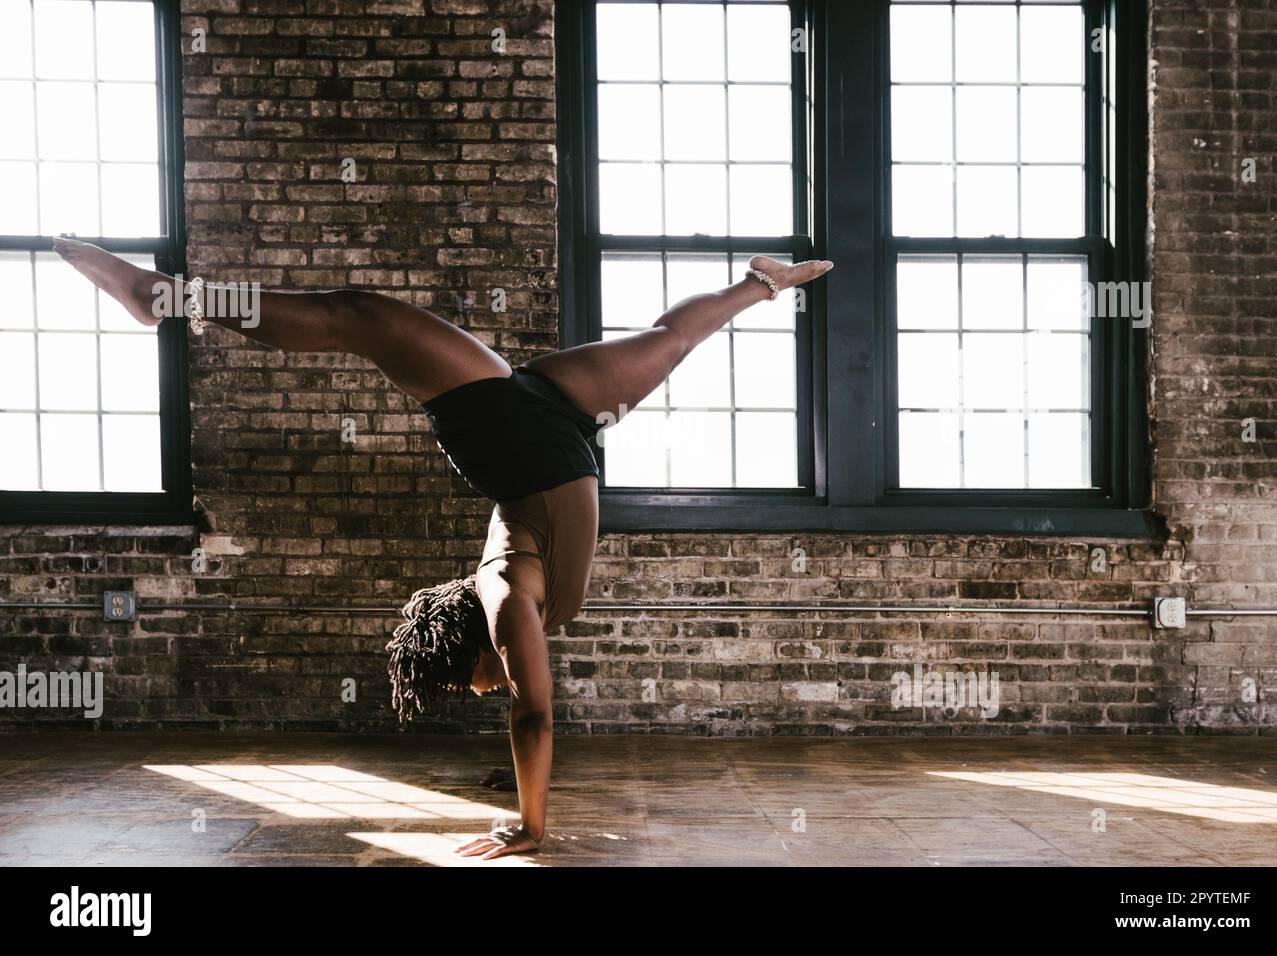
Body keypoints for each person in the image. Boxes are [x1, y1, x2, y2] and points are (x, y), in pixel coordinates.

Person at [52, 236, 833, 859]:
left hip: (528, 443)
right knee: (672, 337)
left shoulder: (503, 595)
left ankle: (166, 298)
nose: (488, 690)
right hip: (553, 427)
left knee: (361, 318)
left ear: (474, 647)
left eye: (471, 685)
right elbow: (528, 717)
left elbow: (534, 718)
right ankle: (759, 284)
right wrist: (527, 800)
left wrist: (530, 824)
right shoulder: (509, 584)